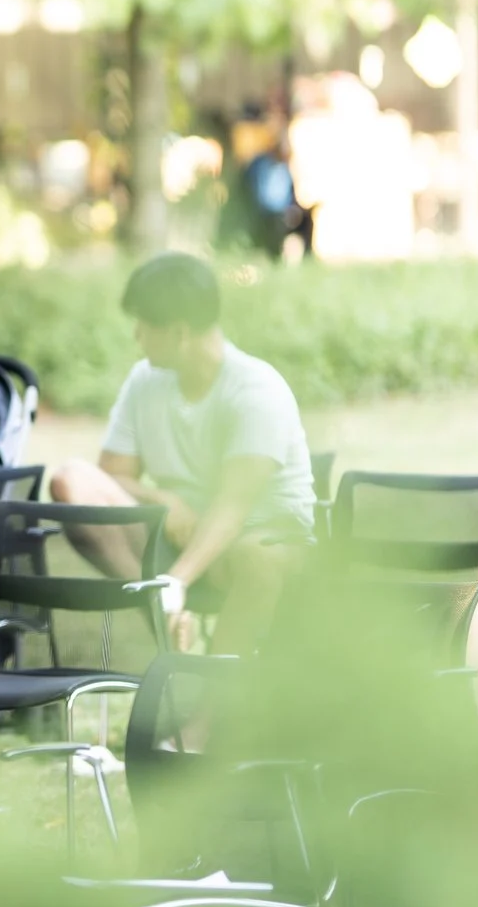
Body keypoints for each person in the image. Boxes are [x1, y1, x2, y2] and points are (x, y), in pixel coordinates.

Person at [48, 251, 315, 656]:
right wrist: (164, 500)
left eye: (144, 324)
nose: (137, 335)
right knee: (71, 480)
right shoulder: (145, 381)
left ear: (179, 332)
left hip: (254, 540)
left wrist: (177, 580)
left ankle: (206, 707)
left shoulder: (256, 390)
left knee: (258, 556)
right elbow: (110, 477)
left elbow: (233, 508)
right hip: (176, 538)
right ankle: (159, 615)